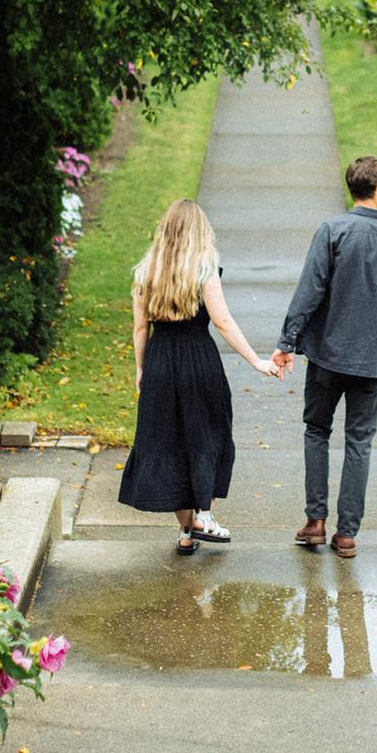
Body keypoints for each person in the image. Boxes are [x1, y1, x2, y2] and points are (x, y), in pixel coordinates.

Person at [271, 155, 377, 559]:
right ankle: (347, 532)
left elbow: (309, 291)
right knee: (359, 441)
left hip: (327, 356)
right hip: (372, 361)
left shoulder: (332, 231)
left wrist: (288, 342)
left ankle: (315, 521)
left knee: (317, 431)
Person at [118, 198, 281, 554]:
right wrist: (255, 360)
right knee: (206, 433)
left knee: (169, 441)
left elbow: (139, 329)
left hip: (161, 362)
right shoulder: (204, 268)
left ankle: (186, 531)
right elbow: (222, 321)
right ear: (198, 232)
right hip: (198, 362)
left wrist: (142, 369)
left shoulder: (145, 272)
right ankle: (204, 514)